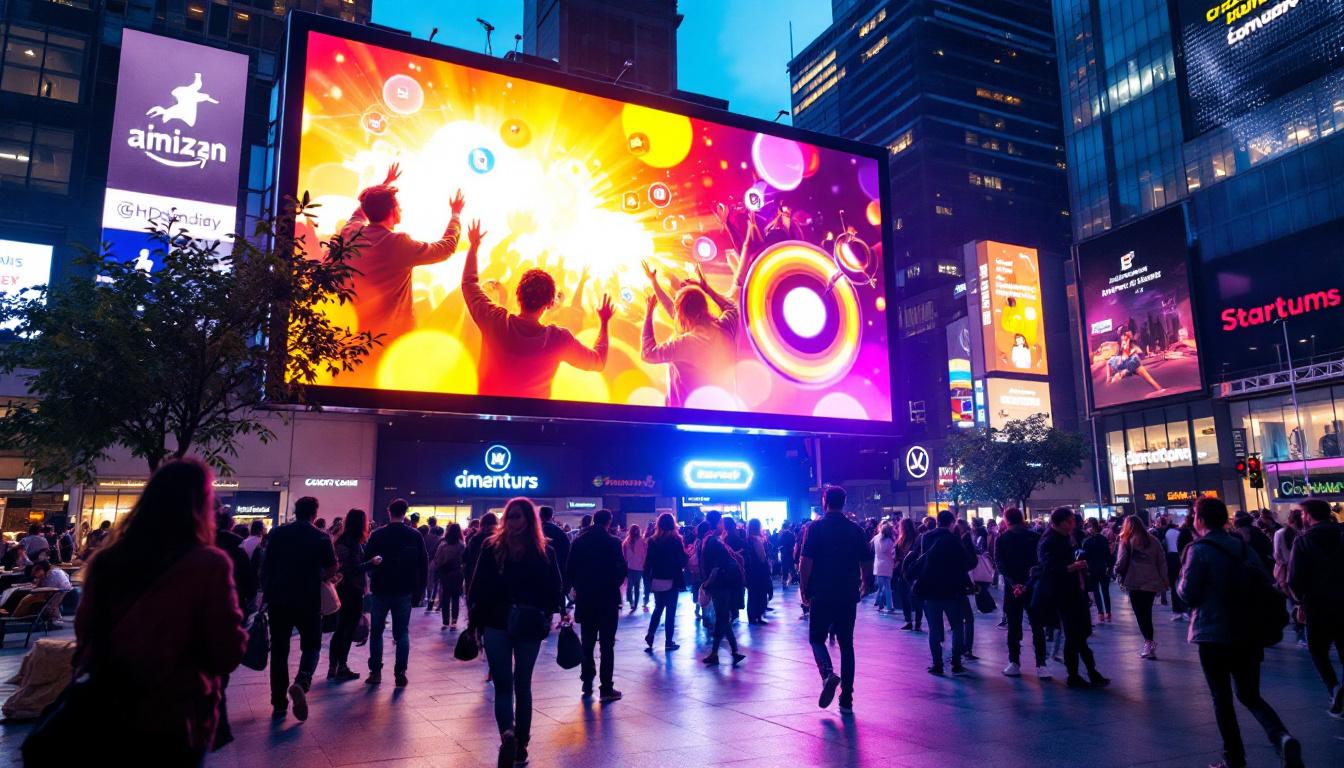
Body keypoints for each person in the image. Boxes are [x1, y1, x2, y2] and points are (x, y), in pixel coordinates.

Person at [71, 459, 246, 763]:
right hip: (176, 712)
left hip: (108, 706)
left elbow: (85, 631)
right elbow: (227, 651)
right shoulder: (208, 564)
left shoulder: (106, 560)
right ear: (199, 506)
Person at [1181, 497, 1303, 768]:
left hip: (1212, 633)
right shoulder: (1241, 546)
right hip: (1248, 631)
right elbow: (1264, 579)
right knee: (1250, 694)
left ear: (1199, 519)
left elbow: (1187, 593)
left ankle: (1234, 758)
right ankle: (1280, 736)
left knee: (1221, 699)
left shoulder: (1198, 549)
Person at [462, 220, 614, 400]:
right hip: (532, 427)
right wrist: (604, 323)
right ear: (549, 304)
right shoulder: (558, 340)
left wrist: (473, 247)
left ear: (518, 293)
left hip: (487, 423)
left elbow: (469, 283)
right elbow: (598, 362)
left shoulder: (495, 321)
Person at [467, 498, 564, 768]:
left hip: (499, 622)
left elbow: (477, 588)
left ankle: (509, 736)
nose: (513, 522)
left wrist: (475, 618)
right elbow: (555, 589)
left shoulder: (492, 548)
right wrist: (545, 613)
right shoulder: (543, 551)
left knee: (507, 685)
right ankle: (518, 743)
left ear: (527, 519)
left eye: (517, 517)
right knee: (520, 684)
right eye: (510, 517)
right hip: (526, 623)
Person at [341, 164, 463, 345]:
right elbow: (445, 248)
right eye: (398, 206)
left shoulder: (351, 231)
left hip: (352, 333)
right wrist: (456, 215)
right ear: (392, 211)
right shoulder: (397, 243)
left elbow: (361, 211)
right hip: (388, 339)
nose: (401, 209)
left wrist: (385, 184)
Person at [261, 496, 337, 720]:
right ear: (314, 513)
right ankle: (302, 683)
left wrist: (266, 592)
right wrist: (319, 576)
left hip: (279, 599)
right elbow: (332, 567)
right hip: (308, 599)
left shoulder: (278, 533)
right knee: (312, 645)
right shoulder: (321, 536)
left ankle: (278, 702)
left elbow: (266, 566)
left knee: (279, 650)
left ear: (295, 511)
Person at [799, 486, 867, 710]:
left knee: (817, 638)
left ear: (824, 501)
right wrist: (865, 582)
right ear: (844, 502)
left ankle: (827, 673)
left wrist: (804, 587)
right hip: (847, 592)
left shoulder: (815, 528)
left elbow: (806, 561)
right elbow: (866, 561)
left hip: (821, 591)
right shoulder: (855, 530)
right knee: (847, 644)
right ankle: (846, 697)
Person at [640, 263, 741, 407]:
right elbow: (731, 307)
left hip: (685, 417)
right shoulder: (724, 326)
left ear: (684, 315)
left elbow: (648, 353)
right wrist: (705, 288)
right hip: (723, 411)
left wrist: (648, 313)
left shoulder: (685, 344)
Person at [1037, 507, 1108, 689]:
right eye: (1069, 521)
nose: (1073, 524)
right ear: (1059, 523)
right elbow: (1049, 568)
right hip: (1064, 594)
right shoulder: (1049, 541)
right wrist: (1072, 567)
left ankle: (1088, 673)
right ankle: (1077, 674)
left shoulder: (1068, 537)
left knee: (1080, 633)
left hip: (1076, 591)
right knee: (1074, 634)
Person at [1287, 498, 1344, 718]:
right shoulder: (1341, 534)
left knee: (1318, 650)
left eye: (1302, 513)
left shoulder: (1302, 541)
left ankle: (1334, 688)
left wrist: (1300, 601)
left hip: (1317, 605)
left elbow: (1295, 578)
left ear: (1309, 515)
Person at [364, 499, 428, 687]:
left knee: (376, 632)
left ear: (388, 511)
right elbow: (423, 562)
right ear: (406, 512)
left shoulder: (377, 535)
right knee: (402, 633)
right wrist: (420, 588)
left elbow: (367, 559)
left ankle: (375, 672)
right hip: (404, 590)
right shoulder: (414, 535)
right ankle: (400, 672)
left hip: (381, 588)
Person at [566, 508, 627, 701]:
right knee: (607, 644)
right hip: (607, 598)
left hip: (586, 598)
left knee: (588, 642)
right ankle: (606, 687)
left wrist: (579, 587)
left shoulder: (578, 541)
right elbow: (621, 569)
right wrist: (613, 584)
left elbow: (570, 569)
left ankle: (587, 681)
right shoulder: (613, 542)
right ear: (609, 522)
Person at [908, 510, 976, 675]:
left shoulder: (926, 537)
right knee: (957, 626)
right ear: (952, 523)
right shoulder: (954, 540)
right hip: (951, 590)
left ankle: (937, 664)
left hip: (930, 589)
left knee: (934, 629)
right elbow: (968, 563)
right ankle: (956, 661)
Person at [995, 507, 1049, 679]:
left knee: (1013, 625)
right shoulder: (1034, 537)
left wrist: (1013, 583)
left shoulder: (1002, 538)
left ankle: (1014, 662)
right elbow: (1040, 563)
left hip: (1013, 589)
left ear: (1006, 520)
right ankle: (1041, 664)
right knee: (1037, 626)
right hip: (1033, 587)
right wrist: (1027, 583)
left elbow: (1000, 563)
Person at [328, 509, 378, 682]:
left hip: (342, 588)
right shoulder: (353, 542)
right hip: (352, 588)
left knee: (341, 627)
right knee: (347, 628)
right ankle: (342, 665)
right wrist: (371, 563)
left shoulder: (341, 539)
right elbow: (353, 568)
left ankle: (333, 666)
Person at [1115, 514, 1168, 660]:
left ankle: (1148, 643)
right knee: (1147, 613)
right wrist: (1164, 580)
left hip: (1135, 582)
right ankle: (1149, 642)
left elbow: (1121, 562)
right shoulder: (1154, 540)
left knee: (1140, 615)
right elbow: (1162, 561)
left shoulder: (1126, 540)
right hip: (1151, 582)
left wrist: (1115, 570)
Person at [701, 516, 747, 666]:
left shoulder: (711, 540)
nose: (723, 525)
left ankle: (719, 653)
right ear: (716, 523)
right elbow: (717, 565)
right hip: (721, 583)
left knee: (722, 618)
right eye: (721, 522)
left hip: (719, 583)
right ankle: (731, 652)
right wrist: (708, 582)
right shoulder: (715, 541)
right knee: (723, 618)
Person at [643, 512, 688, 652]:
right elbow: (681, 560)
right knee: (670, 611)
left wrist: (647, 580)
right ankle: (669, 641)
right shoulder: (676, 540)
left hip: (657, 578)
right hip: (672, 578)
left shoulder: (652, 541)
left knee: (658, 608)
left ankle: (650, 634)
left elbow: (648, 562)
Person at [434, 523, 468, 630]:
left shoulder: (443, 545)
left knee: (445, 597)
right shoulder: (462, 545)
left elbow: (437, 560)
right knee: (455, 597)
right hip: (457, 573)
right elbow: (464, 560)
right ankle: (454, 621)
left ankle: (445, 621)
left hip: (445, 573)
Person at [1082, 519, 1114, 622]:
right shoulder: (1103, 539)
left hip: (1092, 569)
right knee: (1105, 591)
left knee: (1096, 591)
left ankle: (1100, 613)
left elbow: (1084, 556)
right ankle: (1108, 613)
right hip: (1103, 567)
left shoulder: (1086, 541)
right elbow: (1108, 555)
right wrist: (1110, 567)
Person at [539, 506, 571, 603]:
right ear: (551, 516)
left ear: (540, 516)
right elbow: (567, 550)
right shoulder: (558, 531)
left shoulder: (536, 531)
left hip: (540, 570)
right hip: (558, 568)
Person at [893, 517, 920, 630]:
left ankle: (909, 620)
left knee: (906, 596)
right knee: (916, 596)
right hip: (913, 570)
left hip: (905, 570)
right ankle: (916, 622)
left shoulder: (902, 539)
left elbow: (898, 555)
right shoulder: (916, 537)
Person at [744, 518, 773, 624]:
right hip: (759, 571)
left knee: (752, 595)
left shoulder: (747, 539)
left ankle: (752, 617)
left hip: (750, 571)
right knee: (760, 593)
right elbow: (762, 557)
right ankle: (758, 616)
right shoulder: (757, 540)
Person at [620, 523, 648, 612]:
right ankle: (633, 603)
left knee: (633, 587)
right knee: (634, 587)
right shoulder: (639, 541)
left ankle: (633, 604)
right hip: (635, 567)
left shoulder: (628, 541)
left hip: (633, 567)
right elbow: (645, 553)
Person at [870, 522, 896, 614]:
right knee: (887, 586)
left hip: (878, 564)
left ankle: (879, 604)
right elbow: (891, 554)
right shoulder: (890, 541)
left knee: (880, 586)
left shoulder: (876, 538)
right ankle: (889, 606)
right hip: (887, 564)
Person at [423, 519, 444, 613]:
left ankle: (425, 597)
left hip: (426, 560)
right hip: (435, 561)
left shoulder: (425, 537)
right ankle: (432, 599)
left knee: (427, 580)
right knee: (435, 582)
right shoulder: (440, 539)